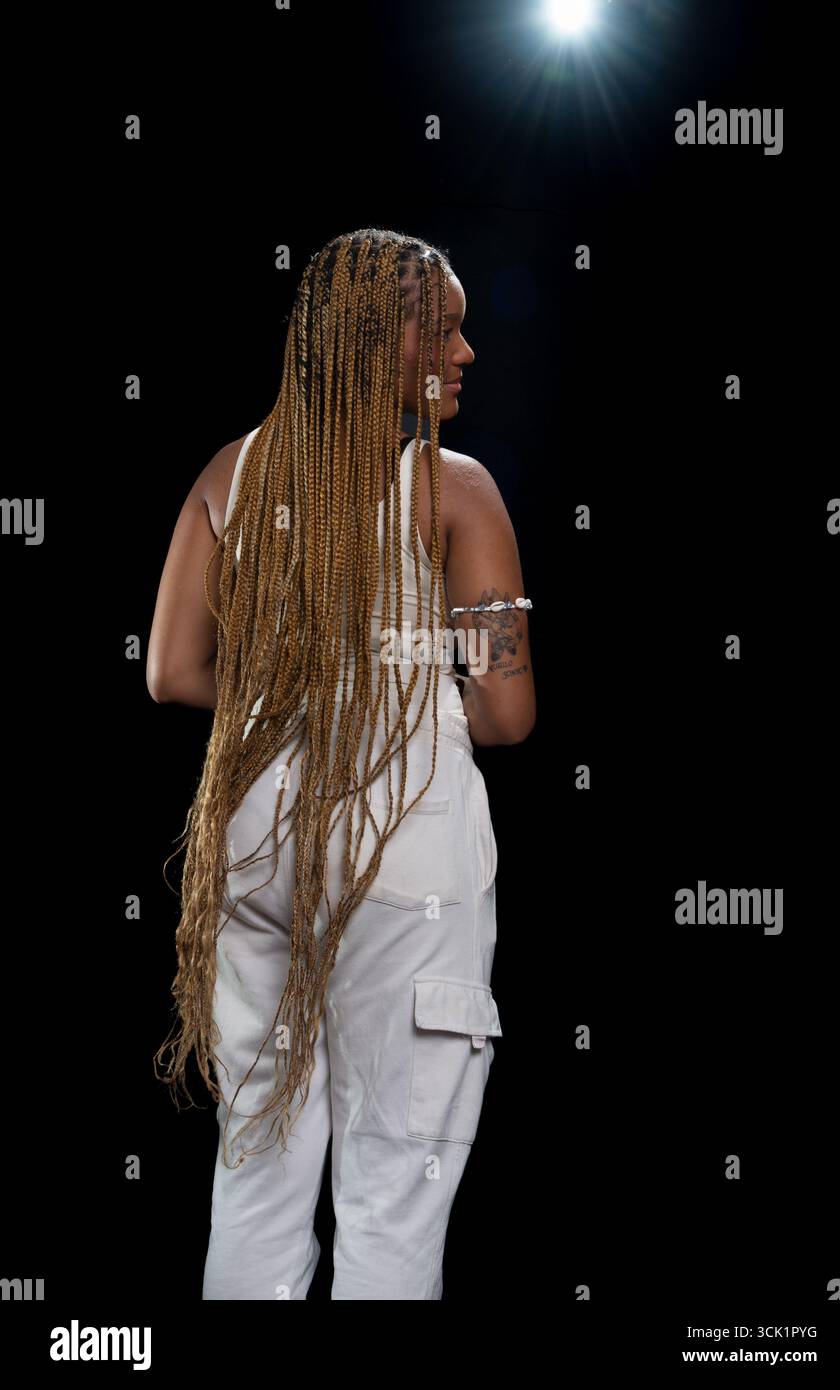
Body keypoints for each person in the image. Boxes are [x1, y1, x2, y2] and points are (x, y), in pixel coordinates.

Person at [146, 228, 535, 1299]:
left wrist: (306, 685)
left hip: (256, 845)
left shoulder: (230, 475)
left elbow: (173, 672)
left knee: (258, 1171)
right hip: (400, 854)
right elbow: (505, 712)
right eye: (446, 330)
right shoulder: (457, 491)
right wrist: (395, 688)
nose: (466, 356)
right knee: (394, 1194)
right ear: (379, 341)